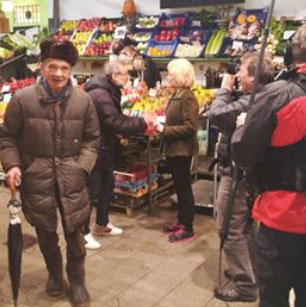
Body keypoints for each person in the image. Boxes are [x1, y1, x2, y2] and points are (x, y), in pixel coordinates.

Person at [0, 39, 100, 307]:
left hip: (72, 178)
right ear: (41, 66)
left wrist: (82, 168)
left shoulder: (83, 100)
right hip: (37, 177)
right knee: (45, 233)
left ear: (71, 70)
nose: (58, 73)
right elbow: (7, 138)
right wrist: (12, 165)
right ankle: (55, 275)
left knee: (76, 234)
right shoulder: (23, 100)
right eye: (52, 66)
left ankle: (77, 281)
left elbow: (92, 139)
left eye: (64, 68)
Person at [231, 23, 306, 307]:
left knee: (274, 297)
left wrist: (242, 126)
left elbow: (243, 152)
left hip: (285, 216)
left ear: (293, 53)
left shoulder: (280, 94)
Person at [208, 52, 274, 302]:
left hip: (236, 173)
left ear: (254, 76)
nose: (236, 75)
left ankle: (245, 285)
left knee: (228, 227)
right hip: (246, 173)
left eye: (242, 71)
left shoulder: (253, 101)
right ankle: (248, 270)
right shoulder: (263, 97)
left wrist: (224, 90)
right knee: (244, 226)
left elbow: (216, 115)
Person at [83, 59, 152, 249]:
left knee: (107, 185)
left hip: (105, 147)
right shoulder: (100, 94)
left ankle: (101, 225)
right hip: (95, 148)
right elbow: (114, 121)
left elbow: (116, 118)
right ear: (114, 76)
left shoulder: (108, 90)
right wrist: (142, 122)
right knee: (91, 190)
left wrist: (136, 120)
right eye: (125, 74)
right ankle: (82, 233)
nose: (128, 77)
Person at [154, 58, 198, 243]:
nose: (168, 77)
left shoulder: (187, 96)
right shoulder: (177, 94)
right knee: (179, 187)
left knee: (184, 188)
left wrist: (165, 130)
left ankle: (187, 227)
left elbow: (190, 127)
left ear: (180, 76)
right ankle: (181, 220)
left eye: (171, 74)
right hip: (174, 149)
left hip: (182, 150)